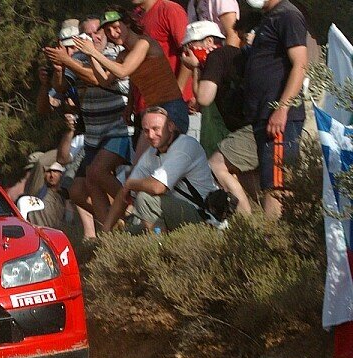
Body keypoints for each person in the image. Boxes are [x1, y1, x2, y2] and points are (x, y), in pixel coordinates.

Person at [46, 15, 132, 236]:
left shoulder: (114, 54)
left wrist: (68, 62)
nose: (93, 38)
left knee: (97, 172)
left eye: (98, 33)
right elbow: (62, 87)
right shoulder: (80, 58)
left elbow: (97, 79)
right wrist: (58, 68)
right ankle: (114, 234)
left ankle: (132, 209)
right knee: (78, 190)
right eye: (88, 34)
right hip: (94, 134)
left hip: (117, 128)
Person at [102, 106, 220, 232]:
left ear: (170, 126)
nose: (151, 135)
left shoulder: (185, 145)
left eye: (156, 129)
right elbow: (123, 192)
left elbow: (157, 187)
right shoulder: (152, 152)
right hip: (177, 214)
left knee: (144, 199)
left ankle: (161, 248)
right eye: (146, 131)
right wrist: (105, 232)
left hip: (203, 216)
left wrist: (130, 183)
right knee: (127, 237)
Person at [74, 10, 190, 137]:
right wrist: (91, 56)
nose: (113, 33)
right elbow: (105, 81)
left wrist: (94, 53)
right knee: (144, 156)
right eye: (108, 30)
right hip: (153, 110)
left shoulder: (144, 43)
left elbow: (123, 71)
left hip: (171, 108)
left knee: (154, 154)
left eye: (116, 27)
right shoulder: (123, 55)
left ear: (127, 24)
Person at [241, 0, 308, 220]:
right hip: (264, 116)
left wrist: (282, 108)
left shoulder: (288, 15)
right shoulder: (269, 17)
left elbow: (300, 64)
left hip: (278, 117)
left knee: (277, 186)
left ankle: (278, 246)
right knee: (272, 182)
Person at [181, 20, 255, 216]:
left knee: (216, 164)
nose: (187, 53)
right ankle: (259, 219)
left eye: (190, 46)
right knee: (247, 178)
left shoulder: (217, 56)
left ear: (209, 41)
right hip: (251, 126)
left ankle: (246, 222)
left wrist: (195, 68)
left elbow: (203, 98)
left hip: (250, 127)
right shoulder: (228, 56)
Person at [132, 0, 194, 111]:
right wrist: (131, 101)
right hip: (145, 104)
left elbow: (189, 52)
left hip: (170, 104)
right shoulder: (136, 15)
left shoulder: (170, 9)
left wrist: (177, 92)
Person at [26, 162, 68, 230]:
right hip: (38, 232)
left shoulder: (63, 195)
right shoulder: (39, 190)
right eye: (48, 172)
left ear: (61, 174)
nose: (52, 175)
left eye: (55, 172)